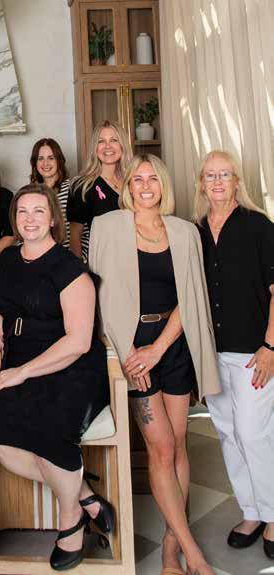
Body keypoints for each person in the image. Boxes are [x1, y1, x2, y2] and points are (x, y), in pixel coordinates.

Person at [89, 154, 220, 575]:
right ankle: (190, 552)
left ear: (163, 185)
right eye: (137, 179)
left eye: (153, 179)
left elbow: (191, 297)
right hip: (131, 350)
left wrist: (158, 349)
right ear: (128, 186)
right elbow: (98, 294)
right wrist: (130, 352)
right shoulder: (108, 226)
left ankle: (169, 542)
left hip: (172, 345)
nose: (145, 186)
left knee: (179, 444)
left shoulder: (184, 232)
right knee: (160, 446)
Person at [0, 184, 112, 571]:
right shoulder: (9, 258)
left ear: (53, 218)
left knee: (49, 432)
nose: (30, 219)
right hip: (21, 362)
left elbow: (78, 341)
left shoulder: (69, 269)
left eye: (39, 211)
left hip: (71, 367)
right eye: (22, 212)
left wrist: (20, 373)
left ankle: (70, 520)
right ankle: (85, 494)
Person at [194, 150, 274, 559]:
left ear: (237, 181)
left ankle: (273, 514)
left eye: (225, 174)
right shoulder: (195, 232)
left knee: (254, 433)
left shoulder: (259, 226)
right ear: (201, 184)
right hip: (213, 353)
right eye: (210, 175)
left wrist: (271, 346)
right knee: (227, 433)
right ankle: (252, 512)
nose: (218, 182)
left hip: (254, 354)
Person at [67, 120, 132, 261]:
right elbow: (75, 236)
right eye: (101, 141)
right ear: (95, 148)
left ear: (122, 145)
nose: (108, 146)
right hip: (104, 261)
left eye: (114, 140)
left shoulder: (134, 182)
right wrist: (80, 270)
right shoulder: (82, 186)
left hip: (136, 257)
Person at [30, 137, 71, 248]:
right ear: (35, 163)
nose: (46, 163)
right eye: (40, 158)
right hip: (37, 254)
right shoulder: (30, 193)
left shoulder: (73, 188)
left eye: (51, 158)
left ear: (59, 160)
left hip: (67, 254)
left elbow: (84, 231)